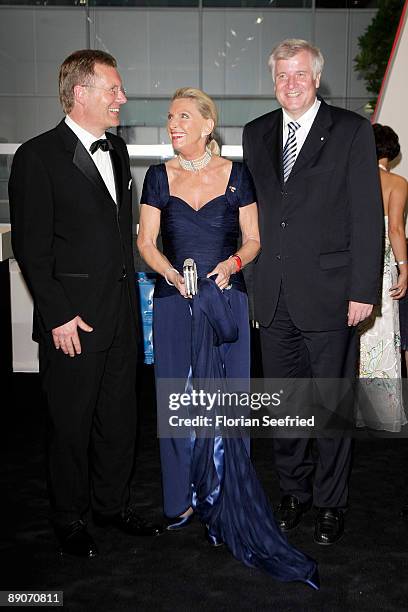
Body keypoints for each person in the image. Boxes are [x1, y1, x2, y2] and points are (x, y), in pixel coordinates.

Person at [137, 87, 319, 587]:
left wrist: (232, 264)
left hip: (226, 303)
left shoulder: (238, 175)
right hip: (175, 303)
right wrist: (171, 274)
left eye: (182, 117)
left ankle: (219, 496)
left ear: (205, 126)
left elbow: (255, 238)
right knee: (177, 400)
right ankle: (181, 502)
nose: (172, 124)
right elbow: (145, 242)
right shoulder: (158, 176)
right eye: (170, 117)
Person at [9, 49, 163, 558]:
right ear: (81, 94)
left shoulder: (116, 151)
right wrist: (56, 315)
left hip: (119, 314)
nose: (122, 97)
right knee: (70, 424)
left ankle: (111, 506)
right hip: (71, 319)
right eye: (112, 89)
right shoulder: (37, 156)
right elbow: (32, 249)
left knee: (119, 419)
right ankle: (69, 517)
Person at [243, 39, 383, 545]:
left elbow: (369, 218)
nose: (291, 84)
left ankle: (329, 502)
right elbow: (253, 216)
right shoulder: (256, 133)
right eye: (282, 75)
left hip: (331, 296)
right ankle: (294, 493)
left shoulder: (349, 131)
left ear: (316, 78)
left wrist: (363, 289)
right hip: (273, 298)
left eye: (300, 74)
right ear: (273, 80)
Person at [358, 124, 408, 431]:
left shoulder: (354, 180)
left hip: (353, 268)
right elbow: (396, 230)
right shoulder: (396, 183)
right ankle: (383, 412)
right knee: (382, 336)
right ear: (392, 151)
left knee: (355, 337)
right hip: (383, 267)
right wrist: (405, 266)